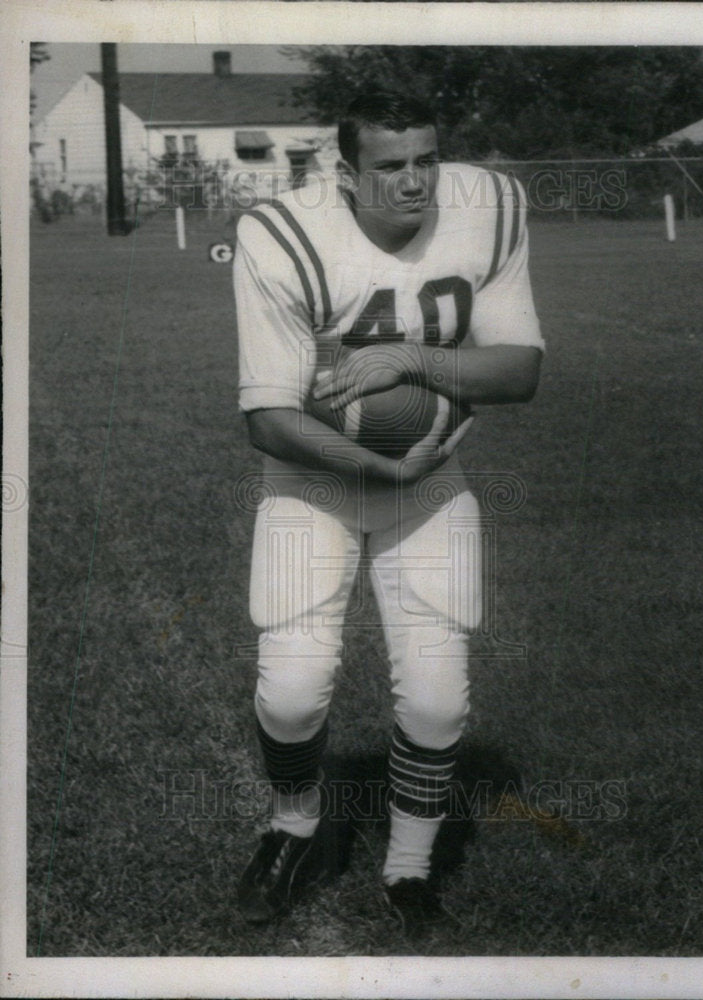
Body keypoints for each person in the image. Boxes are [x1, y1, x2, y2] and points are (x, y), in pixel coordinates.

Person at [233, 90, 544, 936]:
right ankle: (294, 825)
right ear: (346, 171)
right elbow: (268, 417)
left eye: (425, 161)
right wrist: (375, 463)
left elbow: (519, 372)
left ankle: (408, 868)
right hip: (312, 481)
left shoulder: (487, 206)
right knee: (294, 694)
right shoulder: (281, 233)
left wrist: (409, 358)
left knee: (440, 701)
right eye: (389, 166)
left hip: (432, 481)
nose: (414, 183)